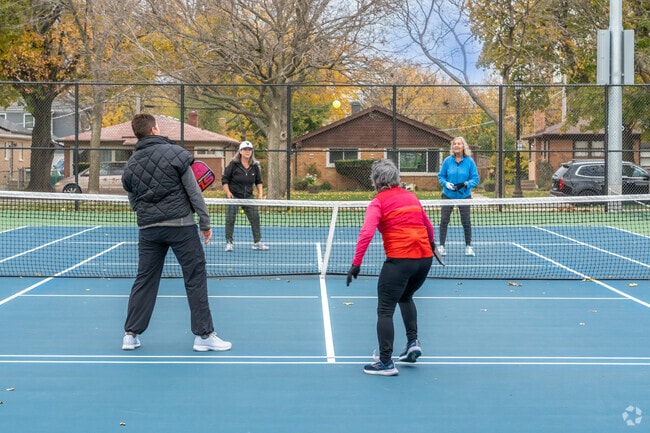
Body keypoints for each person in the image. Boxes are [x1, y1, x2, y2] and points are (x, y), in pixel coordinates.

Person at [121, 113, 231, 352]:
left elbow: (133, 201)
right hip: (181, 227)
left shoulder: (130, 166)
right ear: (153, 130)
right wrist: (205, 222)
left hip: (148, 229)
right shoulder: (176, 154)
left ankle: (130, 334)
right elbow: (194, 191)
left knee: (145, 279)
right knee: (195, 276)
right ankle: (204, 336)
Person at [346, 159, 435, 376]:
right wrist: (431, 246)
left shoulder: (378, 202)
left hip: (400, 260)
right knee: (405, 297)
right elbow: (428, 226)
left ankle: (385, 361)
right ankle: (413, 342)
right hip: (424, 260)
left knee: (385, 310)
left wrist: (356, 264)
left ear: (375, 180)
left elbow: (366, 233)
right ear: (396, 178)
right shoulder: (411, 197)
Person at [221, 140, 269, 252]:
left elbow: (259, 181)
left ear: (252, 152)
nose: (247, 152)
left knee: (255, 218)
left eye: (249, 150)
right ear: (240, 151)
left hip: (248, 197)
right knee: (230, 219)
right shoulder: (233, 165)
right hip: (233, 197)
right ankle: (229, 242)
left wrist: (260, 194)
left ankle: (257, 242)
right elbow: (225, 180)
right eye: (245, 150)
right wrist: (228, 193)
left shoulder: (255, 166)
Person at [437, 136, 480, 256]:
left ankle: (468, 246)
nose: (456, 145)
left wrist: (466, 184)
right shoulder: (447, 161)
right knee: (444, 220)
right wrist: (446, 184)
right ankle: (441, 246)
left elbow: (475, 179)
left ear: (463, 146)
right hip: (448, 195)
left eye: (459, 144)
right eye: (454, 144)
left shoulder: (469, 161)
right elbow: (441, 176)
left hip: (464, 196)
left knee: (466, 221)